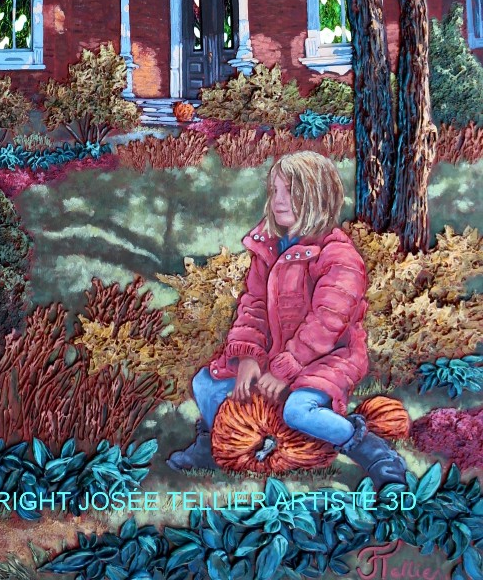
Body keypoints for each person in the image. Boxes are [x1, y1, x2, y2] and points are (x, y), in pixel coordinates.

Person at [167, 151, 407, 491]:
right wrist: (248, 356)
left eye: (290, 191)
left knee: (299, 411)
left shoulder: (338, 256)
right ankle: (215, 444)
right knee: (207, 384)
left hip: (327, 358)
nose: (278, 200)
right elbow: (253, 306)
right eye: (274, 191)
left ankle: (373, 452)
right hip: (275, 353)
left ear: (318, 196)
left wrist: (286, 368)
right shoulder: (269, 247)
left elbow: (327, 323)